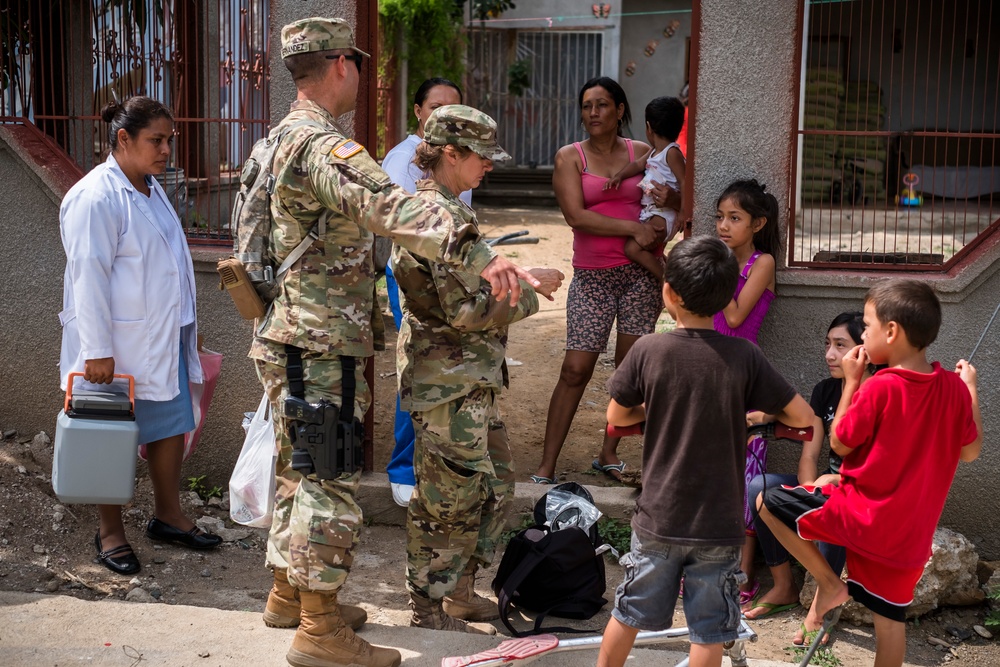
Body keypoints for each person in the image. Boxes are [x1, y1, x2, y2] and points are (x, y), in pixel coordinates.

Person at [255, 18, 539, 667]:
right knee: (328, 473)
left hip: (292, 330)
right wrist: (479, 251)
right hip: (321, 341)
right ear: (339, 66)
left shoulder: (276, 138)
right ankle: (320, 630)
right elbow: (395, 209)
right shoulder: (323, 146)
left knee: (299, 468)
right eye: (356, 60)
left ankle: (289, 594)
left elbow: (251, 235)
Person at [597, 236, 814, 667]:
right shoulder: (744, 356)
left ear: (669, 293)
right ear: (729, 294)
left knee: (628, 613)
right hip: (719, 524)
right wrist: (751, 418)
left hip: (660, 517)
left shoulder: (648, 350)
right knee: (709, 630)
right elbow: (801, 417)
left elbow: (617, 417)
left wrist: (657, 409)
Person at [393, 104, 564, 634]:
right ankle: (427, 605)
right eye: (482, 157)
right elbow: (465, 311)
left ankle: (460, 592)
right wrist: (531, 294)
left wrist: (518, 277)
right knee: (446, 500)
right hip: (447, 383)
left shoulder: (451, 210)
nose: (489, 166)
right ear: (450, 153)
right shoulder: (435, 218)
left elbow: (476, 286)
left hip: (469, 380)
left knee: (492, 487)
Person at [760, 279, 982, 666]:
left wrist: (850, 384)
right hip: (908, 541)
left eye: (867, 325)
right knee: (890, 626)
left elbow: (841, 442)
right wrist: (971, 390)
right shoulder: (953, 388)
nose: (863, 334)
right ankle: (831, 588)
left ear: (891, 332)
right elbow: (971, 452)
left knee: (766, 499)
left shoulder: (880, 386)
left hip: (859, 519)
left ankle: (829, 585)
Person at [58, 96, 222, 576]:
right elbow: (87, 276)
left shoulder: (150, 188)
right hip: (116, 347)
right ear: (123, 139)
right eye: (156, 140)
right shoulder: (96, 196)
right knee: (111, 434)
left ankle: (168, 516)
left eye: (169, 140)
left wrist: (187, 320)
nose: (166, 149)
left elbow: (169, 265)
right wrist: (97, 351)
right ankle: (110, 531)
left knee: (170, 422)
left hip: (161, 335)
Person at [532, 76, 679, 485]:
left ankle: (608, 452)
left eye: (601, 105)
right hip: (592, 278)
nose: (593, 113)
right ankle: (546, 465)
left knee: (628, 372)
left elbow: (672, 195)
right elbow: (576, 216)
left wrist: (669, 210)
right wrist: (632, 229)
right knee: (575, 369)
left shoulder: (644, 152)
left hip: (640, 276)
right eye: (586, 106)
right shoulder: (570, 157)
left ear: (619, 110)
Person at [741, 312, 866, 622]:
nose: (830, 354)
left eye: (840, 345)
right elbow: (810, 455)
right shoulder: (826, 390)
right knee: (760, 486)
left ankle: (820, 609)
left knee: (832, 500)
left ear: (864, 350)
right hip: (827, 481)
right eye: (827, 344)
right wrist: (806, 494)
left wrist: (834, 480)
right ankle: (784, 586)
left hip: (861, 491)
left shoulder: (879, 390)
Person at [380, 77, 469, 508]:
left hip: (452, 279)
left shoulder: (460, 155)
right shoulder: (402, 161)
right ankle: (402, 467)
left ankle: (438, 459)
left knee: (445, 368)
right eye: (436, 106)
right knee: (415, 364)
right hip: (414, 279)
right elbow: (402, 228)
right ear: (418, 111)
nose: (445, 115)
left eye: (453, 107)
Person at [710, 178, 781, 605]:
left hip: (745, 377)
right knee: (714, 474)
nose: (723, 226)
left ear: (757, 223)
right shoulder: (720, 258)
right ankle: (708, 565)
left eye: (734, 218)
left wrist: (710, 276)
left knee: (747, 477)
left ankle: (742, 572)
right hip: (710, 368)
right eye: (719, 217)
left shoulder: (762, 263)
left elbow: (734, 317)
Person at [605, 96, 687, 279]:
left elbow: (684, 181)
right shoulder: (653, 151)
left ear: (648, 127)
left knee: (632, 249)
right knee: (642, 247)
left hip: (664, 213)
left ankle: (666, 280)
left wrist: (683, 211)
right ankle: (666, 271)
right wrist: (619, 176)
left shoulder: (671, 153)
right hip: (652, 211)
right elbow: (637, 165)